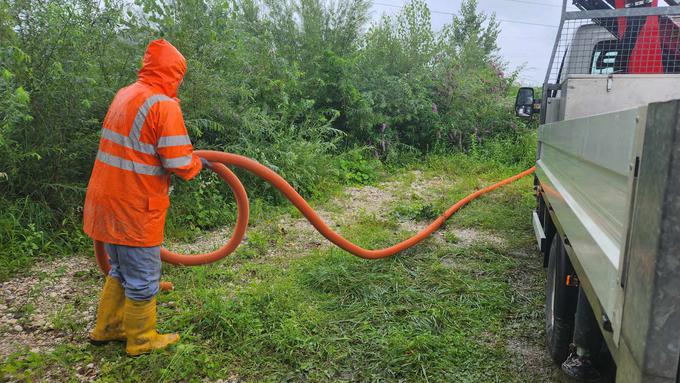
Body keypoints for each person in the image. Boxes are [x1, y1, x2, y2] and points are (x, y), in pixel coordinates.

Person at [82, 39, 211, 356]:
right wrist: (198, 164)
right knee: (142, 276)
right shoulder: (163, 104)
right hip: (134, 206)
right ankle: (141, 339)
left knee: (119, 269)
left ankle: (108, 327)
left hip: (105, 199)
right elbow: (179, 161)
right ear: (175, 74)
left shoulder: (127, 94)